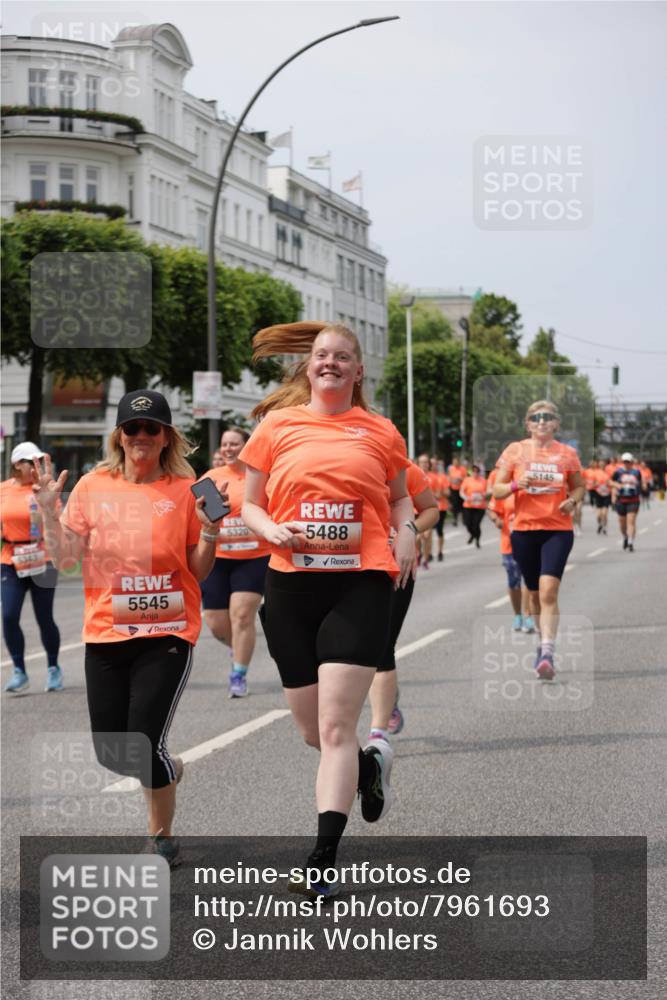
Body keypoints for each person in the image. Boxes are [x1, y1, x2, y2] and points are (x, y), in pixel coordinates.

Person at [239, 321, 416, 898]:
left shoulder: (380, 430)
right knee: (314, 731)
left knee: (338, 725)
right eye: (322, 356)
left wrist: (408, 531)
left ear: (358, 371)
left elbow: (400, 499)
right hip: (290, 584)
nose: (331, 363)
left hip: (359, 583)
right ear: (308, 367)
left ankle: (322, 858)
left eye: (343, 357)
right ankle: (369, 768)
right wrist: (273, 529)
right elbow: (249, 503)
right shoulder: (276, 426)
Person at [34, 389, 223, 868]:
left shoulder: (188, 489)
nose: (141, 436)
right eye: (132, 428)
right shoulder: (93, 487)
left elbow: (198, 571)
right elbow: (67, 561)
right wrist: (49, 515)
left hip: (168, 634)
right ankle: (168, 768)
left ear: (166, 438)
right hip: (106, 635)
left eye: (151, 428)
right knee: (112, 752)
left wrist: (210, 531)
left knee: (143, 739)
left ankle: (161, 838)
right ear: (119, 436)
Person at [493, 400, 585, 681]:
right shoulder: (515, 451)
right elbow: (496, 490)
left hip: (557, 529)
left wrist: (572, 500)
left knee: (548, 591)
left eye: (547, 417)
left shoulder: (567, 454)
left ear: (556, 423)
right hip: (523, 531)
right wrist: (513, 485)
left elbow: (580, 486)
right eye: (536, 417)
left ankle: (547, 651)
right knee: (532, 594)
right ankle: (540, 642)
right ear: (528, 423)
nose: (542, 421)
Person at [367, 460, 438, 740]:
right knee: (358, 649)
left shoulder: (406, 470)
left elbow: (431, 510)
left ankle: (377, 733)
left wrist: (408, 530)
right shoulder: (343, 460)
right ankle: (388, 696)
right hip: (353, 568)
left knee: (382, 646)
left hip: (398, 567)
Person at [199, 427, 270, 697]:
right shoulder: (211, 478)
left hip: (254, 557)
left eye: (235, 444)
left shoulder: (260, 476)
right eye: (225, 444)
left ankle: (238, 674)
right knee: (217, 623)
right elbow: (198, 516)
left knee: (241, 615)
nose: (228, 448)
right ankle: (238, 647)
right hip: (218, 557)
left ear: (247, 446)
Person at [2, 442, 63, 694]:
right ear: (18, 464)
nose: (36, 467)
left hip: (42, 558)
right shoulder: (3, 490)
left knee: (44, 617)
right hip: (10, 559)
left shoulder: (44, 488)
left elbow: (56, 519)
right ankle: (19, 670)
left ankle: (53, 668)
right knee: (8, 615)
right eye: (31, 463)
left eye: (39, 462)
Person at [487, 490, 535, 633]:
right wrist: (496, 519)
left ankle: (528, 616)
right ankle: (517, 616)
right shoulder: (504, 489)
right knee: (514, 582)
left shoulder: (531, 489)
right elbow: (491, 510)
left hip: (531, 542)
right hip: (509, 544)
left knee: (529, 580)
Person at [611, 452, 642, 552]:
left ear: (632, 462)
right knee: (622, 523)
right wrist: (616, 486)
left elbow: (640, 483)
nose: (626, 464)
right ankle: (625, 536)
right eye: (625, 462)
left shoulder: (637, 472)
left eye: (628, 462)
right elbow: (610, 481)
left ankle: (631, 542)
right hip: (621, 500)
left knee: (631, 521)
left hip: (633, 500)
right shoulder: (618, 472)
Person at [460, 464, 488, 548]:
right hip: (468, 506)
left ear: (479, 472)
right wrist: (466, 498)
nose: (475, 473)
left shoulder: (483, 481)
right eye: (473, 471)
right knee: (468, 523)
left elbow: (488, 492)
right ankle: (472, 534)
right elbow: (461, 492)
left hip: (480, 506)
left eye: (477, 471)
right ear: (471, 472)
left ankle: (477, 540)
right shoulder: (467, 480)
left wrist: (482, 495)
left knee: (476, 524)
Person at [431, 456, 449, 562]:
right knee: (425, 533)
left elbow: (447, 492)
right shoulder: (424, 476)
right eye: (431, 463)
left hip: (441, 507)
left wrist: (441, 493)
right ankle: (426, 553)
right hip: (427, 508)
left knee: (439, 530)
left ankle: (440, 551)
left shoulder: (442, 477)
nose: (433, 465)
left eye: (435, 463)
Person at [447, 455, 468, 527]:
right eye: (454, 462)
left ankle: (463, 519)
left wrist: (460, 479)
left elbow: (466, 478)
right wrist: (452, 481)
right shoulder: (451, 469)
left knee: (462, 504)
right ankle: (455, 519)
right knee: (455, 505)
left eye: (456, 462)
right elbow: (449, 478)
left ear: (458, 462)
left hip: (461, 489)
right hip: (453, 489)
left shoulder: (462, 469)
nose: (455, 463)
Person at [592, 461, 612, 535]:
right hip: (598, 494)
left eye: (603, 465)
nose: (602, 466)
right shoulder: (596, 473)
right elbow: (592, 484)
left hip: (606, 495)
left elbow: (611, 483)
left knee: (604, 513)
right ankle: (600, 524)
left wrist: (609, 484)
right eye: (600, 465)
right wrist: (595, 484)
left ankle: (605, 527)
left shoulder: (608, 473)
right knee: (599, 515)